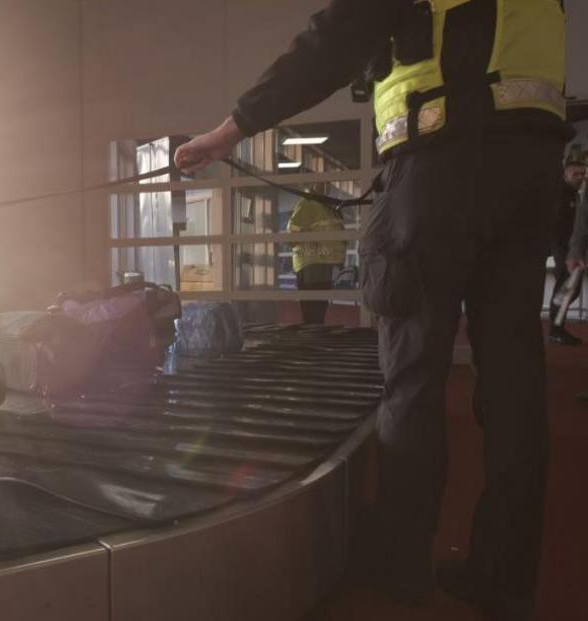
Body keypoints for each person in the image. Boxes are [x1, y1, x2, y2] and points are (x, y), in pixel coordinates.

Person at [173, 1, 569, 619]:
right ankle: (506, 575)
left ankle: (401, 565)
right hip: (531, 174)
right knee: (516, 384)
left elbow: (332, 41)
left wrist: (231, 129)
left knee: (412, 379)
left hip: (438, 165)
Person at [288, 190, 346, 324]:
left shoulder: (307, 204)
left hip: (309, 264)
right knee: (319, 309)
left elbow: (291, 237)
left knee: (310, 311)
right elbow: (341, 238)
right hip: (328, 265)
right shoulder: (331, 207)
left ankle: (310, 338)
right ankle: (316, 333)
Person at [547, 159, 587, 344]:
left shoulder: (578, 194)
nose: (580, 177)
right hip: (561, 244)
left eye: (582, 173)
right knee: (568, 285)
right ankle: (555, 329)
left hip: (570, 246)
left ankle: (556, 326)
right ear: (565, 175)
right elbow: (557, 224)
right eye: (575, 174)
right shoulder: (561, 194)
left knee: (572, 288)